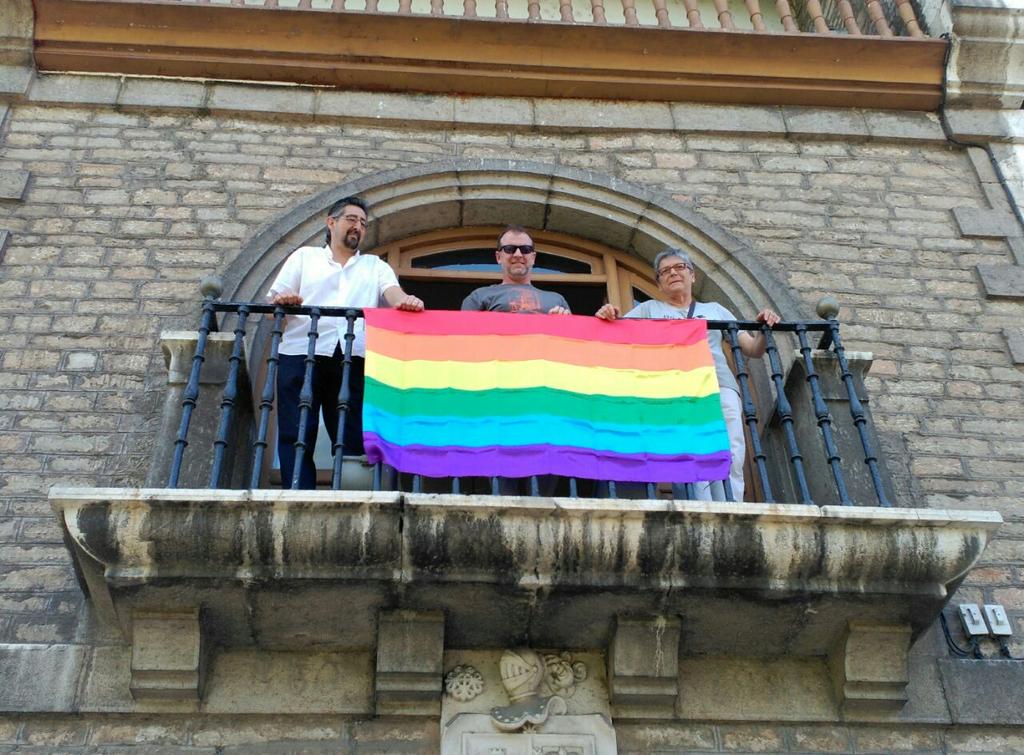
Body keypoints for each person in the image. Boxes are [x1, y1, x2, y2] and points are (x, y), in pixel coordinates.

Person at [595, 249, 779, 502]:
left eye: (680, 267)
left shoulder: (715, 309)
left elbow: (752, 349)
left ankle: (733, 506)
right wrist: (608, 314)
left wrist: (764, 329)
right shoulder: (649, 309)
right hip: (675, 393)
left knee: (731, 448)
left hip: (719, 385)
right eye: (665, 271)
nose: (673, 273)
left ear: (692, 276)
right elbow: (616, 337)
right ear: (658, 283)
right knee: (690, 449)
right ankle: (702, 506)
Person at [268, 196, 424, 489]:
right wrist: (285, 301)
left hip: (352, 357)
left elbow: (392, 292)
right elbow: (277, 301)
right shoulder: (304, 257)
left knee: (350, 430)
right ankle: (298, 493)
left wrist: (406, 301)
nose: (358, 227)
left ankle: (352, 493)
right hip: (301, 352)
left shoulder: (374, 265)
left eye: (363, 223)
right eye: (351, 219)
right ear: (332, 222)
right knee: (297, 429)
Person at [461, 226, 571, 315]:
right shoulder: (479, 296)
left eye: (525, 249)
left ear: (533, 258)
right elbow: (464, 334)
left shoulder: (557, 300)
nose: (518, 254)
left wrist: (561, 323)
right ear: (498, 257)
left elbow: (572, 340)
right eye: (509, 249)